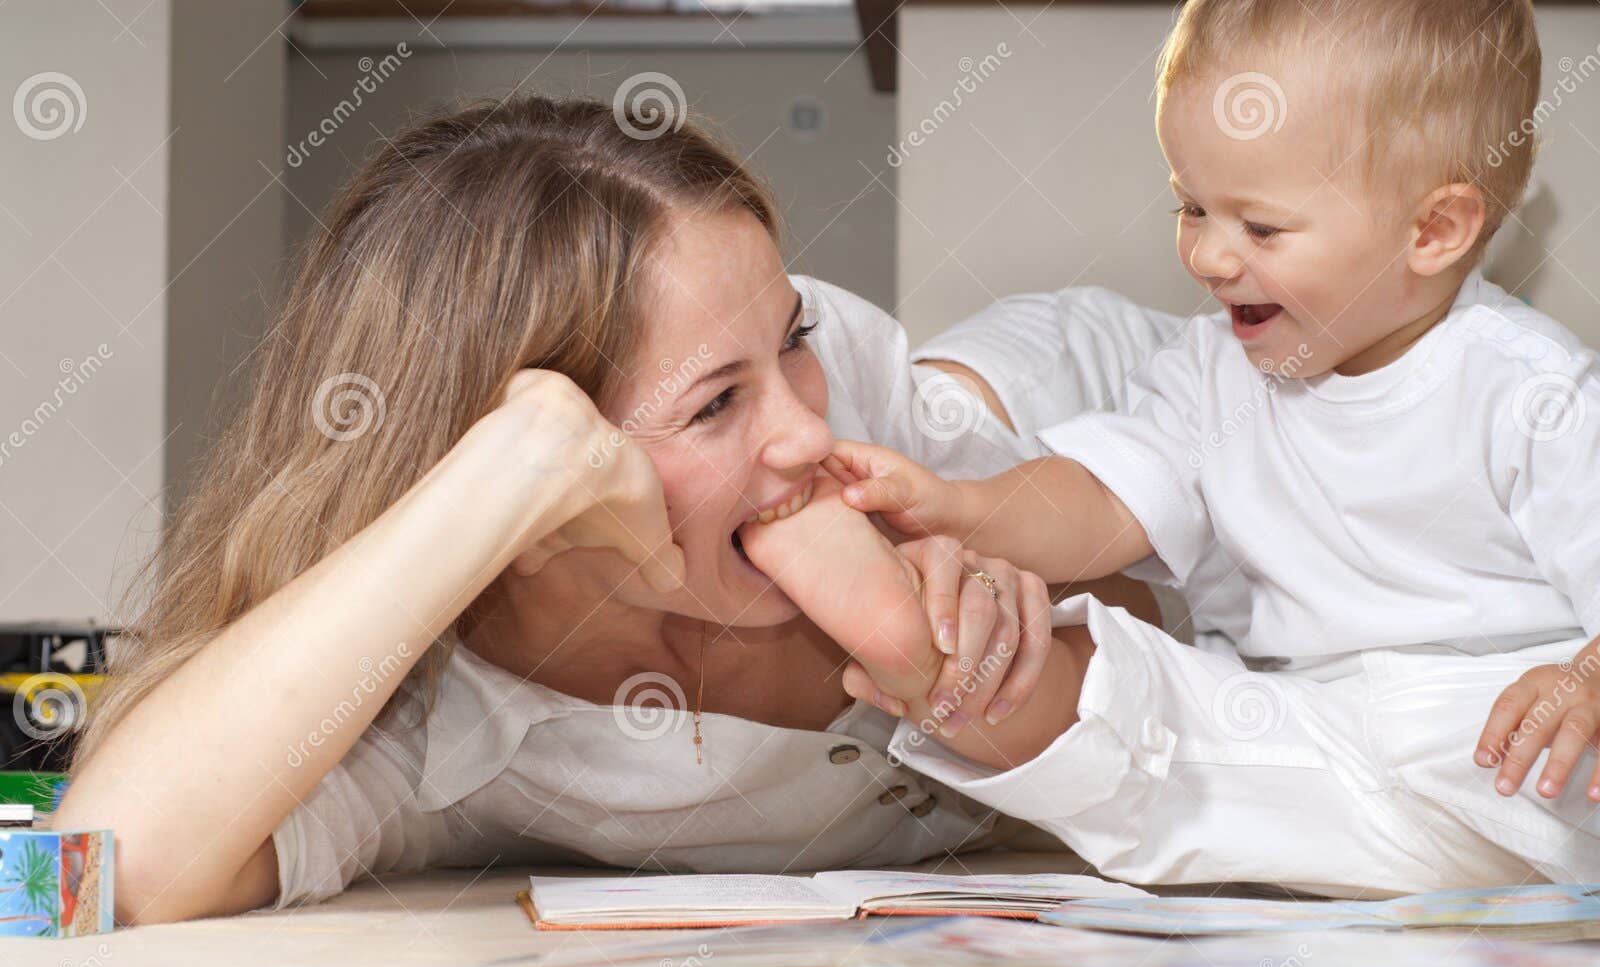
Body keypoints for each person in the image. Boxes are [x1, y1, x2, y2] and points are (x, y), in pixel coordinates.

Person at [54, 94, 1175, 923]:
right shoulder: (433, 720)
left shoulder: (856, 414)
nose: (807, 434)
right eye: (713, 405)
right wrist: (505, 481)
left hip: (1091, 391)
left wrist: (932, 633)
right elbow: (106, 874)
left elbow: (1185, 617)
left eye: (792, 341)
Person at [824, 0, 1600, 892]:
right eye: (1191, 207)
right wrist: (958, 505)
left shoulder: (1530, 389)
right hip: (1295, 721)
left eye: (1259, 228)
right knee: (1134, 681)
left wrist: (1583, 681)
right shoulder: (1212, 370)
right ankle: (935, 657)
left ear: (1433, 231)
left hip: (1484, 738)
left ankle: (1317, 845)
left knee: (1532, 771)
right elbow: (1103, 498)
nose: (1210, 258)